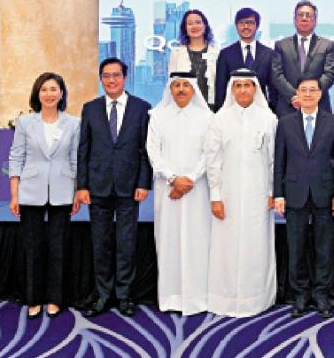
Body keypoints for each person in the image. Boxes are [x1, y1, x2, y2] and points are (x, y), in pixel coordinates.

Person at [77, 58, 152, 317]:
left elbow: (145, 150)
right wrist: (82, 185)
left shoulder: (142, 108)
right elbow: (83, 149)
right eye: (106, 76)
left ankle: (124, 295)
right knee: (101, 243)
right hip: (97, 186)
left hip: (129, 187)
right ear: (101, 79)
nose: (111, 80)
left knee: (126, 243)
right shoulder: (90, 109)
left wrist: (143, 182)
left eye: (116, 75)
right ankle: (102, 295)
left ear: (125, 77)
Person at [204, 69, 278, 317]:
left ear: (255, 88)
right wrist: (215, 196)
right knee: (226, 247)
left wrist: (272, 192)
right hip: (228, 195)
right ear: (232, 89)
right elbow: (213, 161)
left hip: (259, 194)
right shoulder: (219, 119)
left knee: (257, 247)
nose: (243, 90)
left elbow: (274, 161)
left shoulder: (268, 119)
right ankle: (226, 299)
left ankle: (257, 299)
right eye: (238, 86)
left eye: (248, 85)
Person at [8, 72, 80, 319]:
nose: (49, 94)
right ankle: (33, 298)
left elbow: (75, 159)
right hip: (30, 191)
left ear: (61, 93)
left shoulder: (73, 123)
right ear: (37, 94)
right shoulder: (25, 123)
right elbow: (16, 157)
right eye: (44, 89)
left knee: (58, 247)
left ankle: (55, 299)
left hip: (62, 190)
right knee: (32, 247)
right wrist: (15, 194)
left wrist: (76, 192)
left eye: (53, 89)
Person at [273, 75, 334, 319]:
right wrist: (278, 194)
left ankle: (322, 294)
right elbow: (279, 162)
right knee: (296, 248)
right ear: (297, 94)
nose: (307, 94)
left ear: (320, 94)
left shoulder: (333, 123)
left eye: (312, 90)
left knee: (324, 248)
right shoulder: (285, 123)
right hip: (294, 194)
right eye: (303, 90)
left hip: (324, 193)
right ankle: (300, 295)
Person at [146, 72, 213, 315]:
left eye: (186, 85)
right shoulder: (158, 116)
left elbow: (210, 152)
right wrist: (174, 179)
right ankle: (171, 298)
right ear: (170, 89)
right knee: (169, 240)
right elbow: (153, 151)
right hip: (168, 190)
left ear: (194, 89)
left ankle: (198, 297)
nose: (181, 89)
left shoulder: (207, 118)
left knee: (198, 241)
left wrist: (190, 179)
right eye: (177, 85)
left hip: (197, 190)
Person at [271, 0, 334, 117]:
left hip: (319, 107)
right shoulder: (281, 45)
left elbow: (329, 75)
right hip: (288, 107)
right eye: (300, 15)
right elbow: (277, 75)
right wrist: (295, 96)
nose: (304, 18)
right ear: (294, 20)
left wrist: (310, 95)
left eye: (308, 15)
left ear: (315, 20)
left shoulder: (327, 45)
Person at [214, 7, 277, 112]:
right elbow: (221, 88)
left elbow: (273, 89)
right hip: (233, 111)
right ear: (236, 26)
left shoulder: (269, 54)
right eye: (241, 23)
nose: (246, 26)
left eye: (250, 23)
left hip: (261, 112)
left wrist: (273, 112)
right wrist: (220, 113)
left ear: (257, 26)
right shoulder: (225, 54)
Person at [168, 9, 220, 110]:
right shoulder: (176, 53)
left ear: (205, 26)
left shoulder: (217, 53)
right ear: (185, 28)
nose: (194, 26)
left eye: (198, 22)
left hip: (211, 107)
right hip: (184, 106)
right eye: (190, 23)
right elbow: (171, 83)